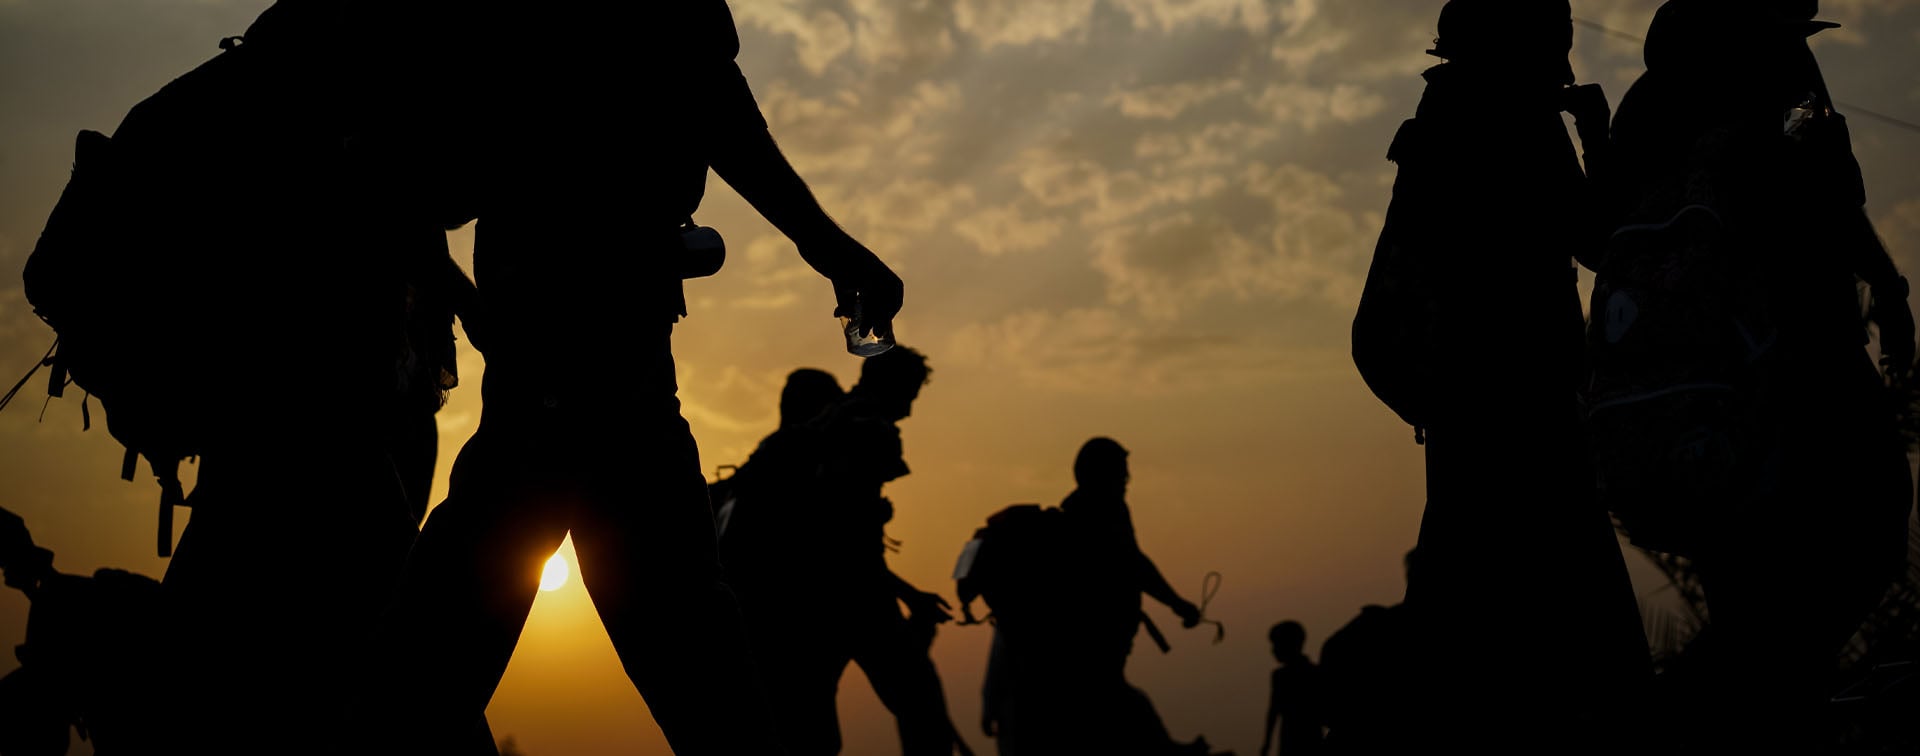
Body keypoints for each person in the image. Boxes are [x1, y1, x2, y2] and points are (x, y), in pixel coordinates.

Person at [354, 1, 904, 752]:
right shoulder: (553, 39)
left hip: (607, 368)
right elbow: (414, 182)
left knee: (663, 631)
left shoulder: (605, 37)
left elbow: (726, 120)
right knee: (666, 635)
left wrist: (835, 253)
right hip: (568, 372)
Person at [1608, 1, 1915, 750]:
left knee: (1755, 585)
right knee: (1853, 543)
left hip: (1695, 394)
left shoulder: (1648, 103)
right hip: (1794, 362)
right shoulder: (1770, 76)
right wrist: (1888, 287)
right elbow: (1830, 195)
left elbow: (1607, 239)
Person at [1360, 1, 1651, 751]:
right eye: (1555, 46)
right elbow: (1599, 240)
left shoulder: (1443, 112)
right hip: (1523, 391)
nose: (1562, 64)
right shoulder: (1514, 120)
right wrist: (1598, 133)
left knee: (1464, 586)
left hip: (1459, 393)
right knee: (1576, 609)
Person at [723, 350, 971, 756]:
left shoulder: (819, 428)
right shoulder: (865, 429)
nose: (907, 412)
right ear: (892, 387)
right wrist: (906, 596)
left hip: (805, 607)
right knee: (921, 704)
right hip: (854, 599)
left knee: (811, 731)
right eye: (908, 396)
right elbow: (845, 537)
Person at [965, 438, 1216, 756]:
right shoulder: (1096, 516)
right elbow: (1134, 564)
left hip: (1084, 656)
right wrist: (1177, 604)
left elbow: (1133, 562)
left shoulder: (1090, 515)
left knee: (1116, 704)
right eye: (1120, 474)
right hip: (1086, 651)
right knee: (1118, 704)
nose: (1126, 482)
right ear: (1097, 474)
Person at [1262, 621, 1325, 756]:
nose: (1273, 650)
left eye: (1276, 644)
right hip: (1307, 738)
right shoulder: (1315, 672)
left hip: (1298, 739)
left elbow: (1273, 712)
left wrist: (1266, 744)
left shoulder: (1281, 676)